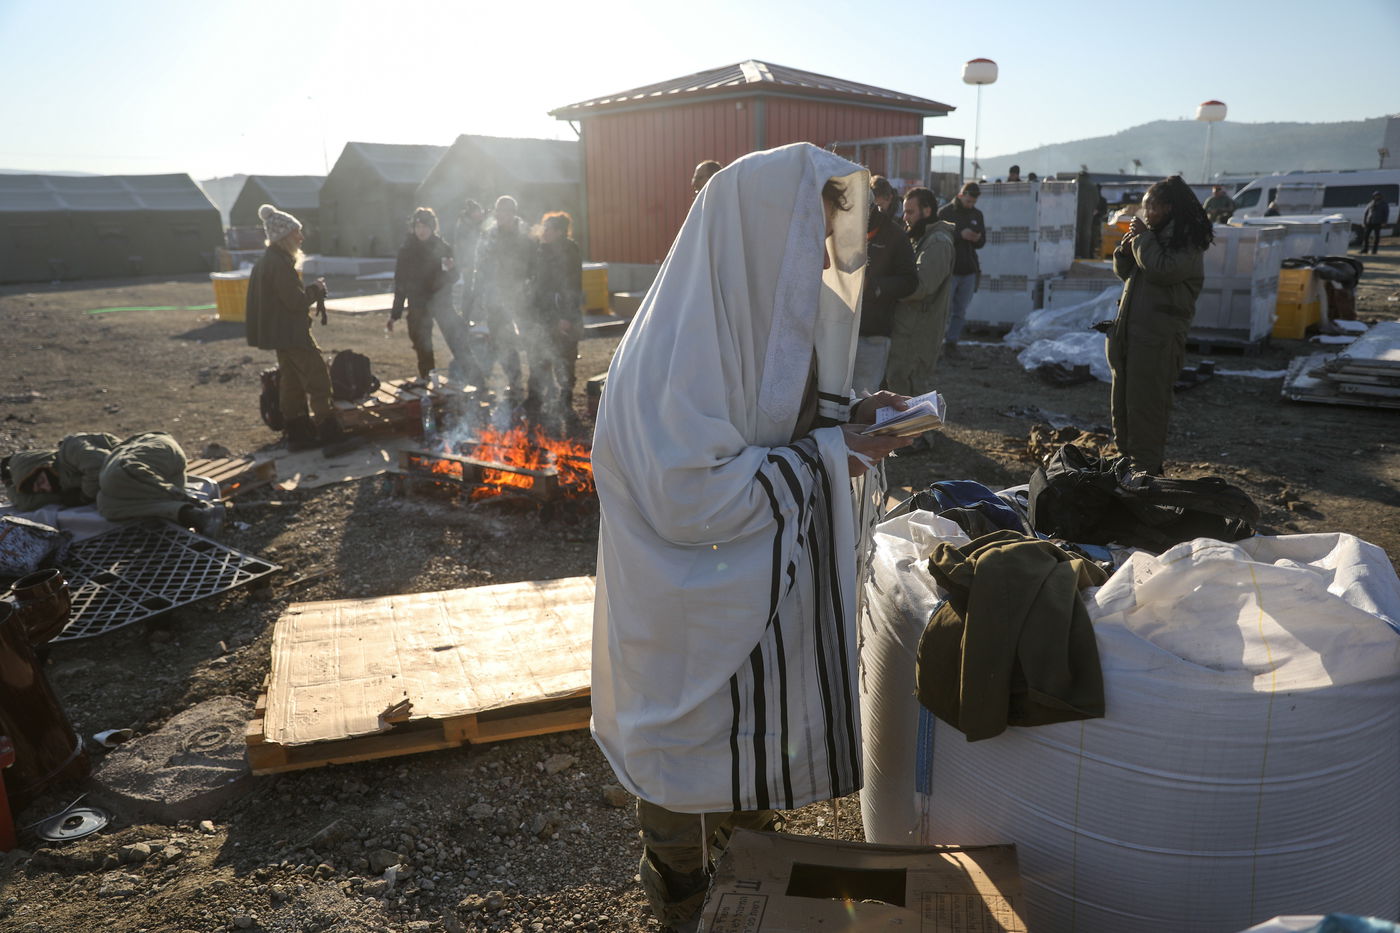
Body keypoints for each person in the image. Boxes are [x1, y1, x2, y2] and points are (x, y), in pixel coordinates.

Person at [591, 142, 912, 933]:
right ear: (761, 233)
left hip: (751, 587)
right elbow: (690, 497)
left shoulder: (758, 314)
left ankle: (749, 870)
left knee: (747, 752)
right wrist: (831, 455)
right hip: (682, 603)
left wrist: (856, 418)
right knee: (678, 756)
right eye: (809, 238)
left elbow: (783, 421)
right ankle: (679, 893)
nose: (820, 260)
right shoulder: (671, 350)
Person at [1108, 176, 1213, 476]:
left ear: (1168, 208)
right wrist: (1125, 251)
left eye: (1150, 207)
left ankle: (1146, 472)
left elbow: (1162, 270)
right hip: (1130, 335)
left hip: (1156, 340)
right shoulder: (1153, 237)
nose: (1145, 213)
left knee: (1146, 409)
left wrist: (1142, 240)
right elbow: (1130, 275)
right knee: (1123, 407)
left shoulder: (1187, 242)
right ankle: (1126, 466)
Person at [245, 204, 343, 450]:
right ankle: (329, 434)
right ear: (283, 236)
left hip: (280, 335)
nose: (301, 237)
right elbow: (295, 301)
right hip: (292, 333)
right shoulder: (279, 264)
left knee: (292, 383)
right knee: (318, 379)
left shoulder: (267, 261)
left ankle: (298, 433)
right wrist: (316, 290)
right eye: (296, 232)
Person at [3, 432, 222, 534]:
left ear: (44, 465)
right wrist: (7, 481)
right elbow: (27, 503)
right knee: (108, 506)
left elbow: (99, 465)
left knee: (111, 477)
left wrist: (83, 496)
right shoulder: (64, 487)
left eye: (41, 480)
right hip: (157, 477)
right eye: (39, 489)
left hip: (154, 450)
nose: (44, 488)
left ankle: (193, 501)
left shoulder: (71, 448)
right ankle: (193, 514)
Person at [388, 207, 473, 382]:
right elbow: (401, 283)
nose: (422, 230)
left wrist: (452, 269)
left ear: (433, 227)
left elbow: (453, 277)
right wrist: (395, 313)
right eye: (418, 226)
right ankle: (428, 378)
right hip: (418, 305)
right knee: (422, 345)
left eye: (425, 226)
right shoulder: (406, 251)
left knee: (458, 341)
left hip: (441, 303)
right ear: (413, 227)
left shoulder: (442, 248)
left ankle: (475, 380)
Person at [886, 187, 956, 396]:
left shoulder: (938, 242)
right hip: (909, 328)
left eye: (910, 212)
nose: (905, 218)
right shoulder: (923, 237)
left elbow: (920, 286)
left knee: (907, 389)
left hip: (918, 333)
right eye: (904, 212)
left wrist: (885, 286)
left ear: (927, 211)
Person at [856, 182, 918, 391]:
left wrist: (874, 286)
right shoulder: (840, 231)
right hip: (838, 329)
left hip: (873, 334)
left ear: (869, 208)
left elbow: (910, 282)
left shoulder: (895, 236)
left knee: (863, 395)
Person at [474, 195, 536, 402]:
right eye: (499, 211)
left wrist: (527, 288)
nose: (502, 215)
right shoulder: (490, 234)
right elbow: (480, 265)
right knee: (503, 341)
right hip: (495, 297)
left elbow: (535, 265)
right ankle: (515, 382)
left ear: (513, 213)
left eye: (506, 211)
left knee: (531, 341)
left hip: (521, 297)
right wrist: (479, 293)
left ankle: (537, 386)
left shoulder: (525, 234)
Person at [526, 211, 583, 424]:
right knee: (537, 357)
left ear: (559, 232)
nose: (544, 231)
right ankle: (536, 399)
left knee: (564, 360)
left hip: (561, 316)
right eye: (543, 227)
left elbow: (572, 287)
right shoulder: (540, 250)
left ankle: (565, 400)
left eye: (548, 228)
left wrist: (566, 316)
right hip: (542, 315)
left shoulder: (569, 252)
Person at [936, 182, 986, 356]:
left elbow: (982, 242)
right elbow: (937, 238)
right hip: (949, 270)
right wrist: (959, 235)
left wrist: (976, 238)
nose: (970, 205)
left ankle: (952, 343)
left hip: (969, 269)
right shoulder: (945, 213)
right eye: (968, 201)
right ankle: (936, 344)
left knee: (960, 311)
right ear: (960, 196)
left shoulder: (977, 214)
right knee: (943, 311)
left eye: (973, 202)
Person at [453, 198, 486, 314]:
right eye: (478, 212)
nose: (481, 214)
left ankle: (474, 312)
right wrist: (464, 264)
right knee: (468, 289)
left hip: (480, 261)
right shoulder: (465, 225)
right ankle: (466, 314)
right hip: (469, 262)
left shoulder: (477, 224)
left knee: (478, 288)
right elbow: (461, 246)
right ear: (472, 213)